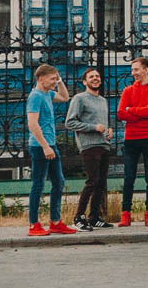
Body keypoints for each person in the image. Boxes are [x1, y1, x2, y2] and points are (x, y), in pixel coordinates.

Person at [24, 64, 76, 237]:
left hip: (50, 145)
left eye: (56, 79)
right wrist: (45, 146)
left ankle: (55, 222)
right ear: (41, 79)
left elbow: (65, 97)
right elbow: (32, 123)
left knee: (58, 181)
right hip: (40, 147)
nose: (55, 82)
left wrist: (60, 80)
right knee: (38, 185)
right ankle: (33, 224)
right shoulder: (36, 96)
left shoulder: (47, 94)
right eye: (52, 79)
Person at [65, 67, 114, 231]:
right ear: (85, 82)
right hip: (88, 145)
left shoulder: (103, 100)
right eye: (91, 76)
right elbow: (70, 122)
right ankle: (79, 217)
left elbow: (103, 123)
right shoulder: (79, 99)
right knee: (92, 181)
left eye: (97, 76)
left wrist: (109, 130)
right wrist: (94, 127)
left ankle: (94, 217)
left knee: (101, 182)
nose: (95, 78)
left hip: (103, 145)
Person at [117, 56, 148, 227]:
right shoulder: (128, 90)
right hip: (131, 139)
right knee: (129, 176)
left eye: (136, 70)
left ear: (146, 69)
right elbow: (121, 113)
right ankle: (125, 213)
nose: (133, 73)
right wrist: (140, 112)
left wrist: (132, 110)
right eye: (132, 70)